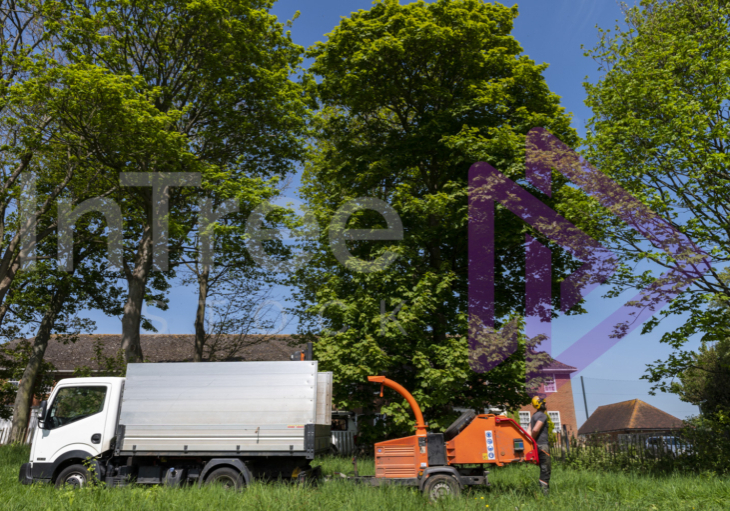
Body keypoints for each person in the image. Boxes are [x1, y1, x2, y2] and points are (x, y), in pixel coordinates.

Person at [529, 396, 551, 496]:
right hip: (543, 446)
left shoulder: (533, 416)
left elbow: (528, 431)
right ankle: (544, 493)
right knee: (546, 469)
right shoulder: (542, 416)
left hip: (536, 447)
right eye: (544, 403)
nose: (546, 404)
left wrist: (531, 443)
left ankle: (543, 490)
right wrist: (534, 439)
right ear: (540, 404)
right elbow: (535, 430)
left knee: (543, 468)